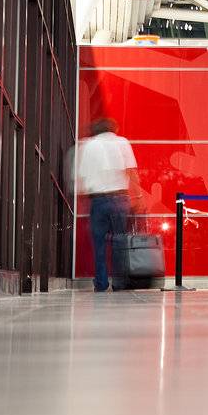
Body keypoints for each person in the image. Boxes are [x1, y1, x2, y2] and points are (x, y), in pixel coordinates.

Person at [75, 118, 139, 292]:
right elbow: (131, 171)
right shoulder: (122, 142)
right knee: (120, 241)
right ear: (114, 128)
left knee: (99, 244)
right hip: (120, 199)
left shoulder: (88, 145)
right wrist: (139, 195)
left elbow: (81, 177)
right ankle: (120, 283)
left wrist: (83, 197)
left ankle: (101, 283)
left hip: (98, 200)